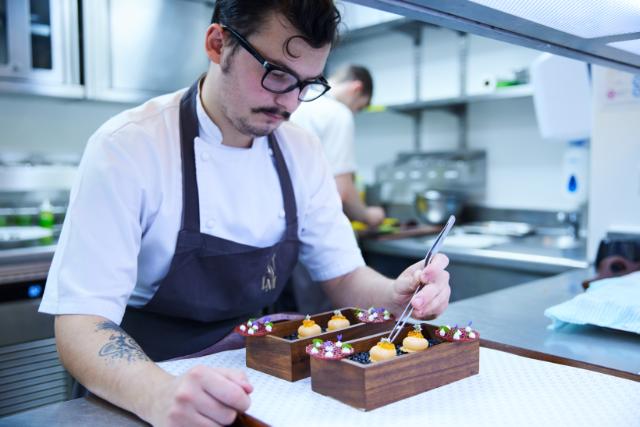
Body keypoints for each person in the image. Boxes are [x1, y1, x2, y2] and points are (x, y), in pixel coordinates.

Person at [39, 1, 451, 426]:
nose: (290, 102)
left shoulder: (302, 151)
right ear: (218, 45)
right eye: (276, 74)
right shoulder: (128, 146)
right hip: (141, 387)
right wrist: (158, 393)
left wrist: (398, 294)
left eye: (307, 84)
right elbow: (81, 324)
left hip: (253, 382)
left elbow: (346, 278)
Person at [291, 64, 385, 228]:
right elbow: (343, 191)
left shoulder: (297, 101)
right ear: (356, 88)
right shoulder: (337, 112)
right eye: (359, 107)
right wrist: (367, 215)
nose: (354, 113)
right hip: (313, 225)